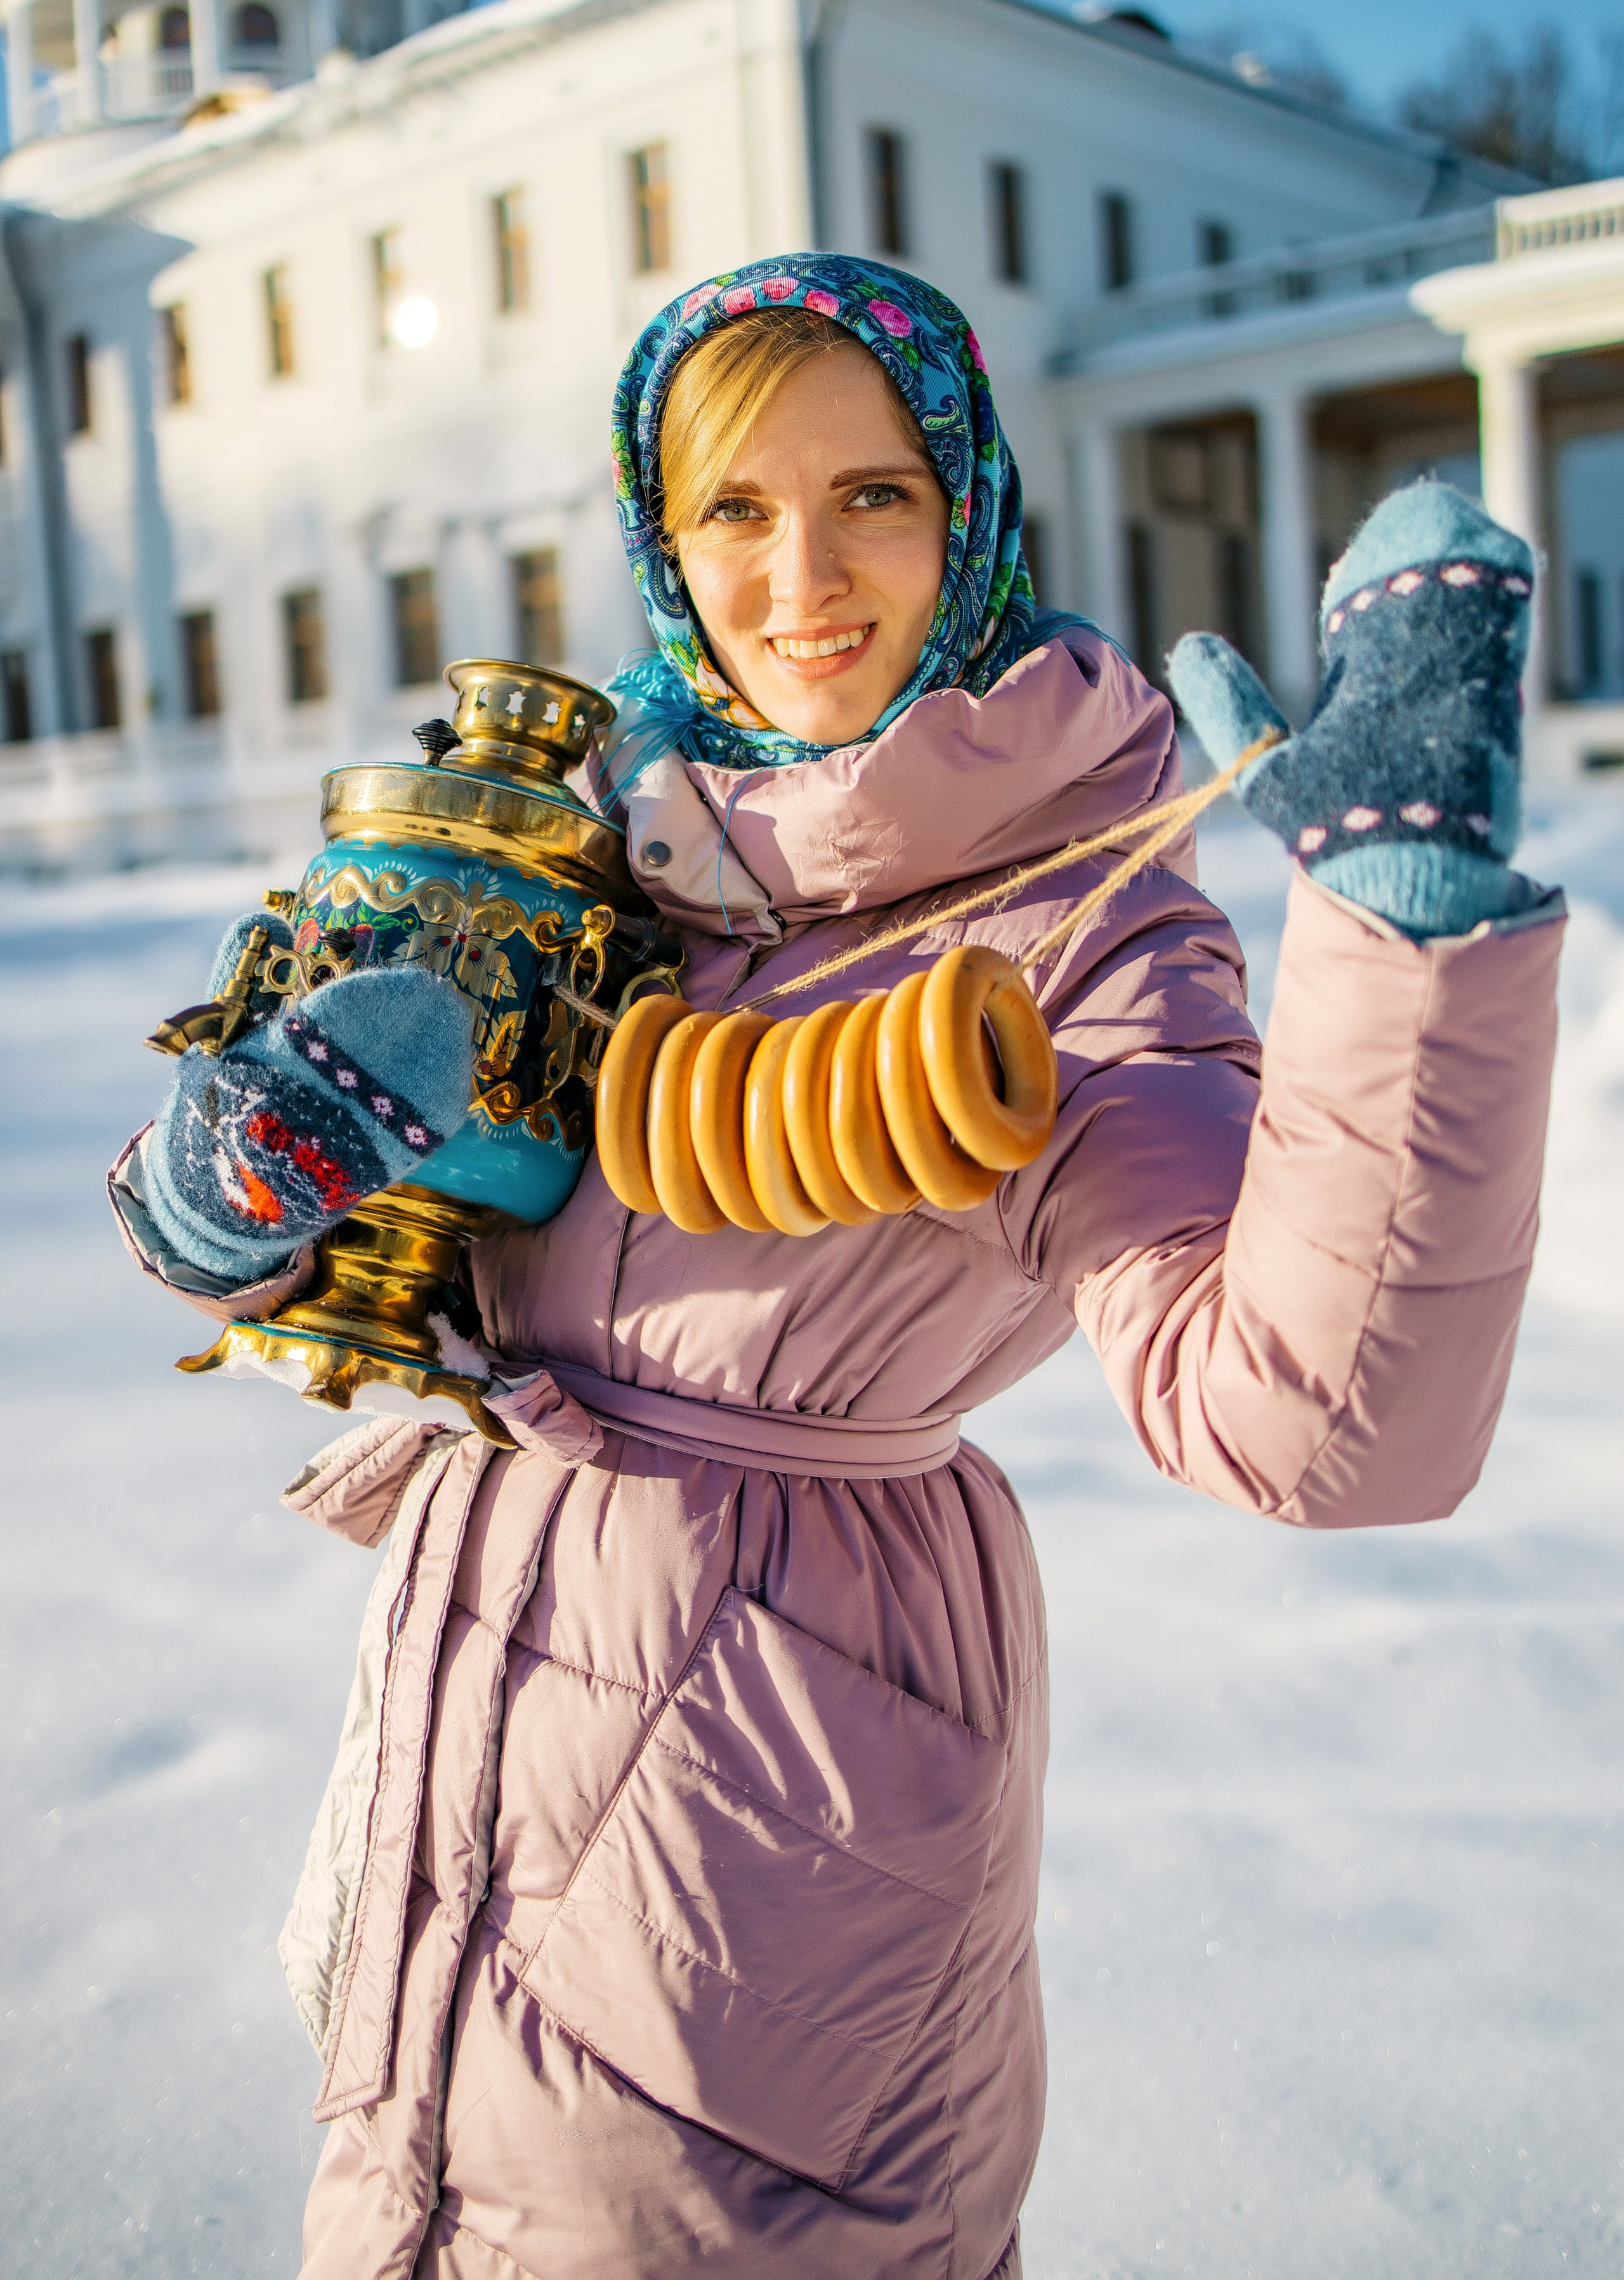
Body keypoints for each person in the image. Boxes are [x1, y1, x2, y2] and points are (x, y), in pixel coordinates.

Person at [111, 253, 1563, 2280]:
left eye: (872, 494)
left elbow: (1316, 1422)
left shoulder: (1080, 915)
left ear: (967, 503)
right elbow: (393, 1257)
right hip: (459, 1765)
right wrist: (238, 1200)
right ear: (661, 537)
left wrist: (1404, 949)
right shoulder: (593, 842)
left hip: (767, 1843)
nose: (802, 578)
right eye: (735, 507)